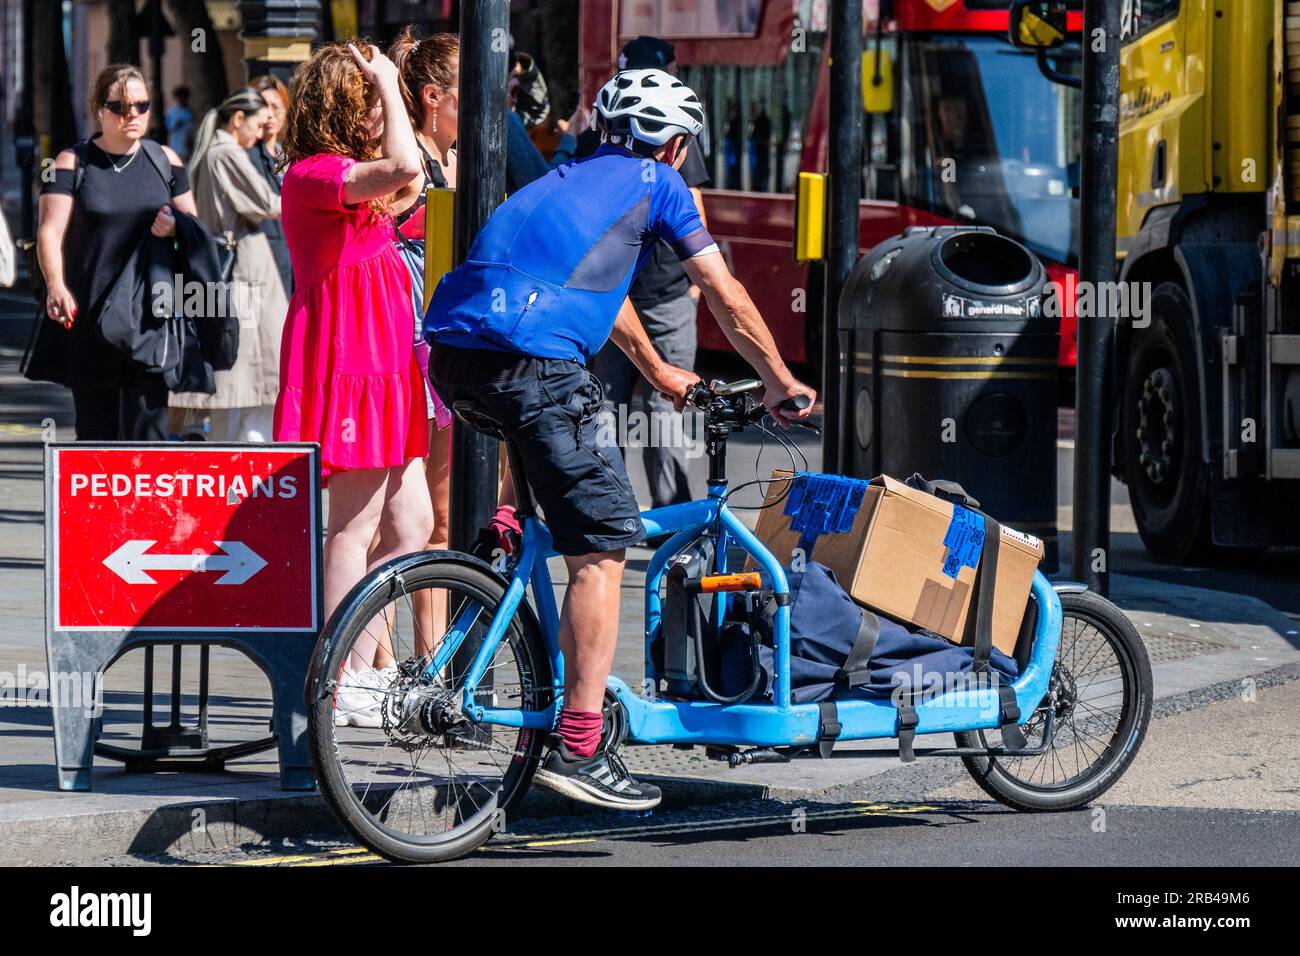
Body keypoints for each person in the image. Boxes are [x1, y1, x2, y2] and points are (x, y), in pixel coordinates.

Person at [424, 68, 815, 809]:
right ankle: (578, 744)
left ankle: (507, 530)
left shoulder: (560, 179)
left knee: (542, 461)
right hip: (535, 362)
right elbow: (725, 294)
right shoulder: (658, 183)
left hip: (459, 358)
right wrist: (778, 380)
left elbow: (599, 290)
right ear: (673, 145)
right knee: (604, 545)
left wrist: (660, 369)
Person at [274, 42, 433, 725]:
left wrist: (387, 85)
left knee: (412, 525)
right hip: (350, 367)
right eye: (369, 103)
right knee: (354, 527)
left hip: (387, 364)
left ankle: (363, 669)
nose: (381, 112)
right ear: (346, 109)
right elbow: (405, 165)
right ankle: (334, 679)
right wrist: (393, 84)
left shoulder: (348, 179)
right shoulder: (314, 175)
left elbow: (412, 178)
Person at [36, 64, 199, 440]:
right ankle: (98, 501)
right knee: (96, 430)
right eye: (121, 106)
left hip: (152, 317)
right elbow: (49, 231)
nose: (133, 115)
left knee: (150, 430)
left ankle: (147, 501)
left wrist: (177, 227)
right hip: (92, 312)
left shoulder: (165, 161)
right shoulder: (71, 163)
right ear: (99, 110)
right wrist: (56, 285)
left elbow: (195, 226)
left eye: (141, 106)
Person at [585, 35, 713, 514]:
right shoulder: (671, 131)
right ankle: (672, 520)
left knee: (605, 408)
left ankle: (608, 512)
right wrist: (700, 283)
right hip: (662, 295)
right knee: (667, 409)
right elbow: (692, 207)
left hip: (608, 292)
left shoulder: (596, 132)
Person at [388, 25, 459, 645]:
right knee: (394, 517)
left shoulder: (455, 158)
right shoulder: (407, 158)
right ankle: (377, 662)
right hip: (399, 351)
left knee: (439, 520)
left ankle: (428, 662)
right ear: (435, 96)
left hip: (441, 350)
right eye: (473, 95)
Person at [169, 88, 287, 443]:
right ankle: (246, 461)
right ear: (238, 119)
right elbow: (268, 203)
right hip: (244, 269)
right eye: (255, 124)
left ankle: (225, 454)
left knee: (234, 375)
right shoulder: (227, 153)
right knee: (250, 371)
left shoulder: (212, 152)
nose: (258, 133)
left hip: (228, 267)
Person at [248, 74, 294, 296]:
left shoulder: (288, 157)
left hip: (291, 255)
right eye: (262, 106)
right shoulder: (244, 156)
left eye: (276, 106)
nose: (269, 114)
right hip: (260, 257)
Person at [165, 85, 194, 159]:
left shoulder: (191, 111)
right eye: (179, 97)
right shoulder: (171, 112)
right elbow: (168, 127)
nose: (182, 99)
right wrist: (176, 124)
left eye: (184, 96)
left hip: (189, 145)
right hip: (176, 144)